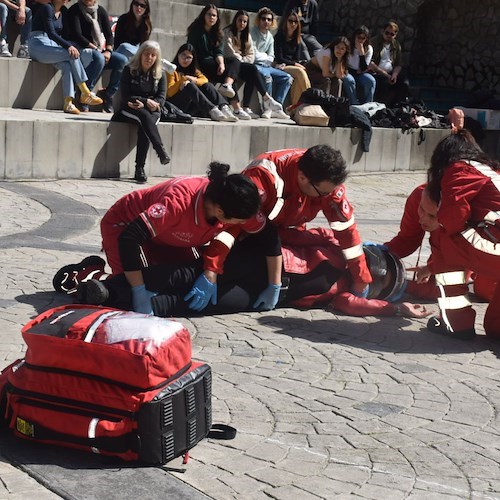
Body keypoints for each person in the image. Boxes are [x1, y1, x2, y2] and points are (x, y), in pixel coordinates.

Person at [73, 234, 430, 321]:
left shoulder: (341, 294)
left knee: (197, 304)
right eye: (370, 273)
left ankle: (108, 301)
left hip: (265, 296)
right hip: (261, 267)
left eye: (377, 284)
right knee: (188, 275)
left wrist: (395, 310)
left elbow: (353, 305)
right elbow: (290, 234)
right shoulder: (334, 245)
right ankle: (110, 285)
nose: (368, 279)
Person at [96, 162, 271, 314]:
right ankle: (93, 278)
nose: (243, 225)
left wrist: (274, 285)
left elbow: (269, 238)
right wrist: (138, 290)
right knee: (125, 286)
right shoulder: (178, 203)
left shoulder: (229, 203)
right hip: (125, 225)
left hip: (169, 236)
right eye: (239, 221)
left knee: (180, 279)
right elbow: (129, 238)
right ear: (220, 212)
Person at [240, 145, 373, 296]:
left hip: (285, 232)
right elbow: (237, 220)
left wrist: (361, 278)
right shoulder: (262, 176)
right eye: (323, 193)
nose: (327, 197)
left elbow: (347, 232)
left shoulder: (326, 182)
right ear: (302, 178)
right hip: (248, 232)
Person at [424, 130, 500, 340]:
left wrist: (437, 220)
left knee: (441, 236)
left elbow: (452, 216)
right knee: (495, 330)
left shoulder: (459, 168)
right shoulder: (491, 171)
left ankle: (458, 324)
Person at [27, 0, 103, 114]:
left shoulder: (63, 11)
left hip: (52, 45)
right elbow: (51, 33)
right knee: (71, 54)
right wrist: (68, 46)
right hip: (38, 44)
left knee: (67, 65)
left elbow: (65, 34)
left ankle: (68, 103)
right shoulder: (47, 8)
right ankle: (85, 92)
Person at [111, 40, 170, 183]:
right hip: (129, 109)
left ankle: (140, 169)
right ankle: (159, 150)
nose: (149, 58)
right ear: (140, 54)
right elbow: (125, 96)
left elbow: (161, 98)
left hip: (152, 111)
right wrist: (144, 101)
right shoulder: (129, 70)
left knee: (145, 123)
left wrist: (153, 104)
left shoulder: (160, 74)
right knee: (144, 116)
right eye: (146, 54)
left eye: (153, 55)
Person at [221, 9, 287, 120]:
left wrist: (241, 59)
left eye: (244, 22)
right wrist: (240, 58)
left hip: (241, 64)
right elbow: (229, 52)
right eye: (240, 20)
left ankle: (250, 106)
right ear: (235, 20)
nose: (242, 23)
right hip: (229, 63)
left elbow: (251, 56)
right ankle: (264, 101)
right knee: (241, 67)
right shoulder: (228, 32)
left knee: (252, 70)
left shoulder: (247, 35)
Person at [67, 0, 129, 112]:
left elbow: (109, 35)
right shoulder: (75, 10)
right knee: (99, 58)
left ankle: (108, 95)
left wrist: (109, 51)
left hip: (99, 49)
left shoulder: (100, 11)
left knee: (122, 60)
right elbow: (77, 35)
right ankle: (85, 94)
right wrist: (96, 49)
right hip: (81, 49)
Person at [167, 42, 236, 122]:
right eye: (183, 55)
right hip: (175, 105)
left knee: (207, 85)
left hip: (190, 107)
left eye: (189, 57)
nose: (185, 59)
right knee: (190, 86)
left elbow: (205, 80)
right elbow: (169, 92)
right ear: (178, 55)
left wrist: (193, 79)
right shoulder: (171, 69)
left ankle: (224, 107)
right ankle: (212, 110)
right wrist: (184, 79)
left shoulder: (193, 70)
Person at [250, 7, 292, 117]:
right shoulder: (252, 32)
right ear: (259, 19)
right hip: (255, 66)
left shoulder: (270, 37)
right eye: (263, 19)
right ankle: (267, 108)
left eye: (269, 19)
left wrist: (265, 57)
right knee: (267, 77)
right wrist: (265, 57)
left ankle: (277, 107)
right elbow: (254, 55)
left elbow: (272, 57)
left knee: (287, 78)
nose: (266, 22)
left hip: (267, 66)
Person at [273, 10, 311, 106]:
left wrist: (295, 64)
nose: (293, 24)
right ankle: (310, 98)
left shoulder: (297, 40)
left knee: (299, 77)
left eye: (295, 22)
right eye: (290, 21)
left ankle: (294, 107)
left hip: (291, 66)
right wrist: (295, 64)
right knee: (300, 71)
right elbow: (279, 58)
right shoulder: (279, 37)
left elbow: (296, 59)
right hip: (280, 65)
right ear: (285, 21)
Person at [368, 20, 410, 107]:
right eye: (387, 33)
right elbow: (370, 62)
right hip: (376, 72)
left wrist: (394, 75)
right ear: (382, 31)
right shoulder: (374, 42)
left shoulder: (396, 45)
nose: (389, 36)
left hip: (391, 72)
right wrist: (386, 75)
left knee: (404, 83)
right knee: (384, 85)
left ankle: (399, 106)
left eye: (392, 34)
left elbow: (398, 63)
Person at [347, 25, 376, 105]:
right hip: (348, 70)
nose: (360, 40)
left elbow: (363, 68)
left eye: (363, 38)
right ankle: (354, 103)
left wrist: (361, 53)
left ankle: (368, 104)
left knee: (371, 81)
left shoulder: (369, 48)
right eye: (359, 37)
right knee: (349, 80)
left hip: (361, 72)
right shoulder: (348, 46)